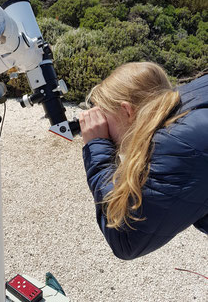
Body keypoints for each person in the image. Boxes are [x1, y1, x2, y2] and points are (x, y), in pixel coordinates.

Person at [79, 62, 208, 260]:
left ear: (127, 111)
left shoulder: (176, 145)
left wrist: (97, 147)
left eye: (105, 116)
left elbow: (126, 239)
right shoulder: (193, 95)